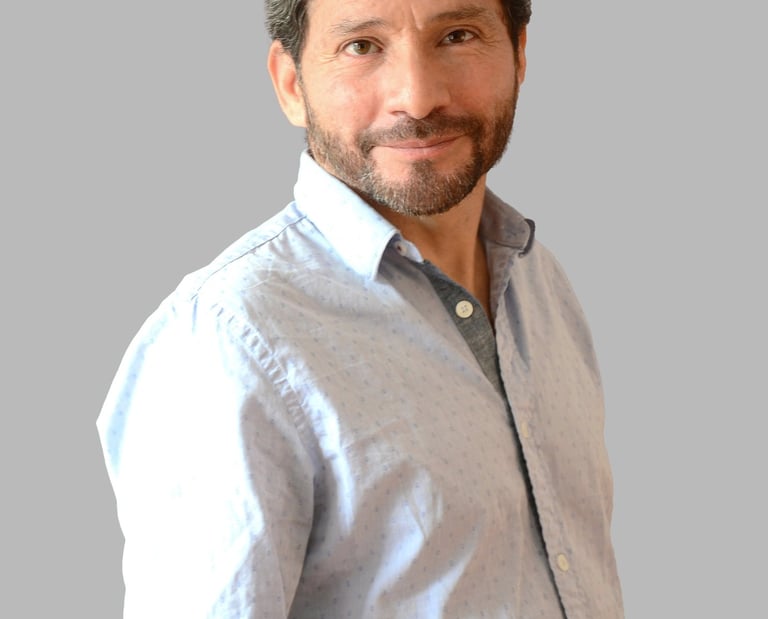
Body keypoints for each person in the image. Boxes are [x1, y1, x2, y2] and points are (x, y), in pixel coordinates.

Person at [97, 0, 624, 616]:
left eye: (458, 35)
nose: (418, 98)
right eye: (362, 46)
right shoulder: (227, 342)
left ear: (520, 55)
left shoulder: (541, 282)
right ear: (291, 85)